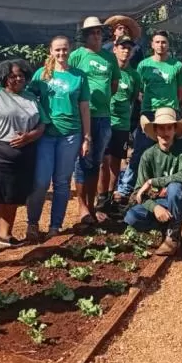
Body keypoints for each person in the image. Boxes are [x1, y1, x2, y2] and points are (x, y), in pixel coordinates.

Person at [0, 59, 46, 256]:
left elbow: (42, 123)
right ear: (4, 78)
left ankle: (5, 235)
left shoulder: (31, 98)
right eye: (12, 76)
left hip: (25, 154)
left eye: (21, 75)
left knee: (14, 195)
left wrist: (30, 136)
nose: (17, 79)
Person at [27, 35, 90, 241]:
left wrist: (87, 137)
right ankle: (32, 223)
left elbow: (84, 107)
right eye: (57, 49)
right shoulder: (41, 74)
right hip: (46, 134)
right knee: (40, 181)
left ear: (70, 50)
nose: (61, 53)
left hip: (71, 134)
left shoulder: (79, 76)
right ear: (51, 51)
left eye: (65, 49)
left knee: (62, 182)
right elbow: (28, 98)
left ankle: (55, 226)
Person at [118, 30, 182, 199]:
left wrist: (170, 106)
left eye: (164, 42)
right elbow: (138, 90)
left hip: (170, 113)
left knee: (170, 150)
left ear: (168, 45)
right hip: (148, 113)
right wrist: (146, 104)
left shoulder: (177, 66)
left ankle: (166, 189)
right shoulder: (144, 65)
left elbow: (181, 93)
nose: (160, 45)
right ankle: (127, 189)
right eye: (157, 42)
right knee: (140, 150)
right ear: (152, 44)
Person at [123, 108, 182, 256]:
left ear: (175, 130)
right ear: (155, 131)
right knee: (131, 217)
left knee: (174, 188)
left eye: (169, 128)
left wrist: (153, 181)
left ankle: (173, 234)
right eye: (161, 128)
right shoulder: (148, 155)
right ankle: (164, 226)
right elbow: (138, 192)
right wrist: (155, 207)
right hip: (160, 201)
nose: (165, 133)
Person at [69, 17, 120, 224]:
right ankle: (82, 206)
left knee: (96, 163)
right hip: (83, 117)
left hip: (104, 116)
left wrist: (102, 100)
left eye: (99, 32)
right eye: (92, 33)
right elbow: (69, 80)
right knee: (82, 161)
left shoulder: (109, 57)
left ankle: (91, 205)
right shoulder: (77, 56)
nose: (96, 36)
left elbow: (114, 85)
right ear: (85, 36)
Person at [102, 35, 141, 208]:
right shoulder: (107, 70)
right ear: (114, 49)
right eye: (122, 47)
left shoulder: (134, 75)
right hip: (105, 121)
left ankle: (110, 196)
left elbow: (133, 98)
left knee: (116, 161)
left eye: (129, 48)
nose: (125, 51)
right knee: (103, 161)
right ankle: (100, 197)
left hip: (122, 124)